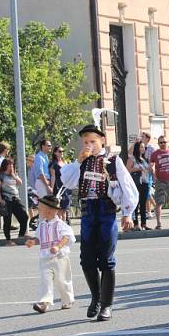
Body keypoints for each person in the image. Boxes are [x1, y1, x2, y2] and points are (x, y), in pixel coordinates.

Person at [60, 124, 137, 321]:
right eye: (85, 142)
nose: (89, 145)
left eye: (92, 141)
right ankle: (95, 297)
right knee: (86, 259)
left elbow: (128, 187)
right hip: (87, 212)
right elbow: (67, 182)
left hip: (106, 211)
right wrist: (79, 161)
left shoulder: (113, 161)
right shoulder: (81, 163)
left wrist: (127, 214)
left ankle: (107, 305)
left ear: (102, 140)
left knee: (106, 258)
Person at [26, 195, 75, 313]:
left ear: (49, 211)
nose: (39, 211)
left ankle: (67, 299)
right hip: (45, 258)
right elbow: (39, 238)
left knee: (62, 280)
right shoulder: (41, 225)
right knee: (45, 280)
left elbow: (67, 237)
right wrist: (33, 241)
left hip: (59, 258)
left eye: (40, 208)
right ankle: (44, 302)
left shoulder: (60, 224)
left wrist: (58, 246)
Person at [0, 158, 29, 245]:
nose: (12, 166)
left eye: (12, 165)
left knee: (24, 216)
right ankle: (8, 240)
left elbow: (20, 183)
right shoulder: (0, 175)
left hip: (15, 198)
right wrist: (0, 199)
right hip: (6, 199)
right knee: (8, 220)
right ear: (6, 166)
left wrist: (14, 175)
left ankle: (21, 234)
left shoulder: (13, 174)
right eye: (10, 165)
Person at [126, 141, 151, 231]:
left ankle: (144, 223)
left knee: (143, 203)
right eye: (141, 147)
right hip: (136, 183)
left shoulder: (144, 159)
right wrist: (137, 169)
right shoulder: (132, 159)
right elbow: (127, 170)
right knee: (135, 203)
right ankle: (135, 224)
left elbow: (147, 170)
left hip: (145, 182)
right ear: (137, 148)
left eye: (144, 147)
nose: (143, 149)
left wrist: (150, 168)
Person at [49, 145, 68, 221]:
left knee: (65, 210)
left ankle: (64, 228)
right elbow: (53, 177)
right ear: (55, 153)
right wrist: (51, 188)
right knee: (59, 210)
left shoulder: (65, 162)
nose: (61, 153)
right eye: (60, 151)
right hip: (58, 188)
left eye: (62, 151)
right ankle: (59, 229)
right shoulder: (53, 164)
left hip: (65, 188)